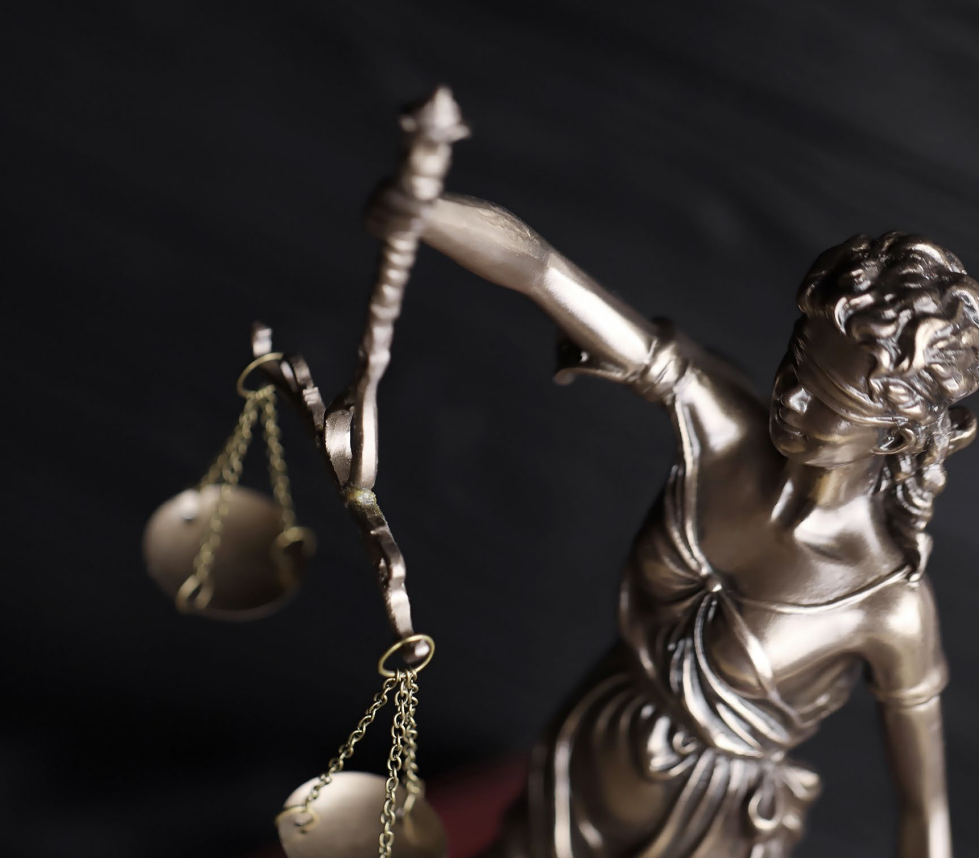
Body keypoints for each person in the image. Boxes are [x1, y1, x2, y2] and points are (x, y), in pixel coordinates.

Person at [368, 190, 979, 858]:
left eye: (827, 400)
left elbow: (923, 811)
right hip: (585, 754)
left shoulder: (888, 606)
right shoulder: (719, 425)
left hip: (705, 828)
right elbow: (543, 271)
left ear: (896, 433)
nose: (790, 398)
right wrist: (425, 210)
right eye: (794, 365)